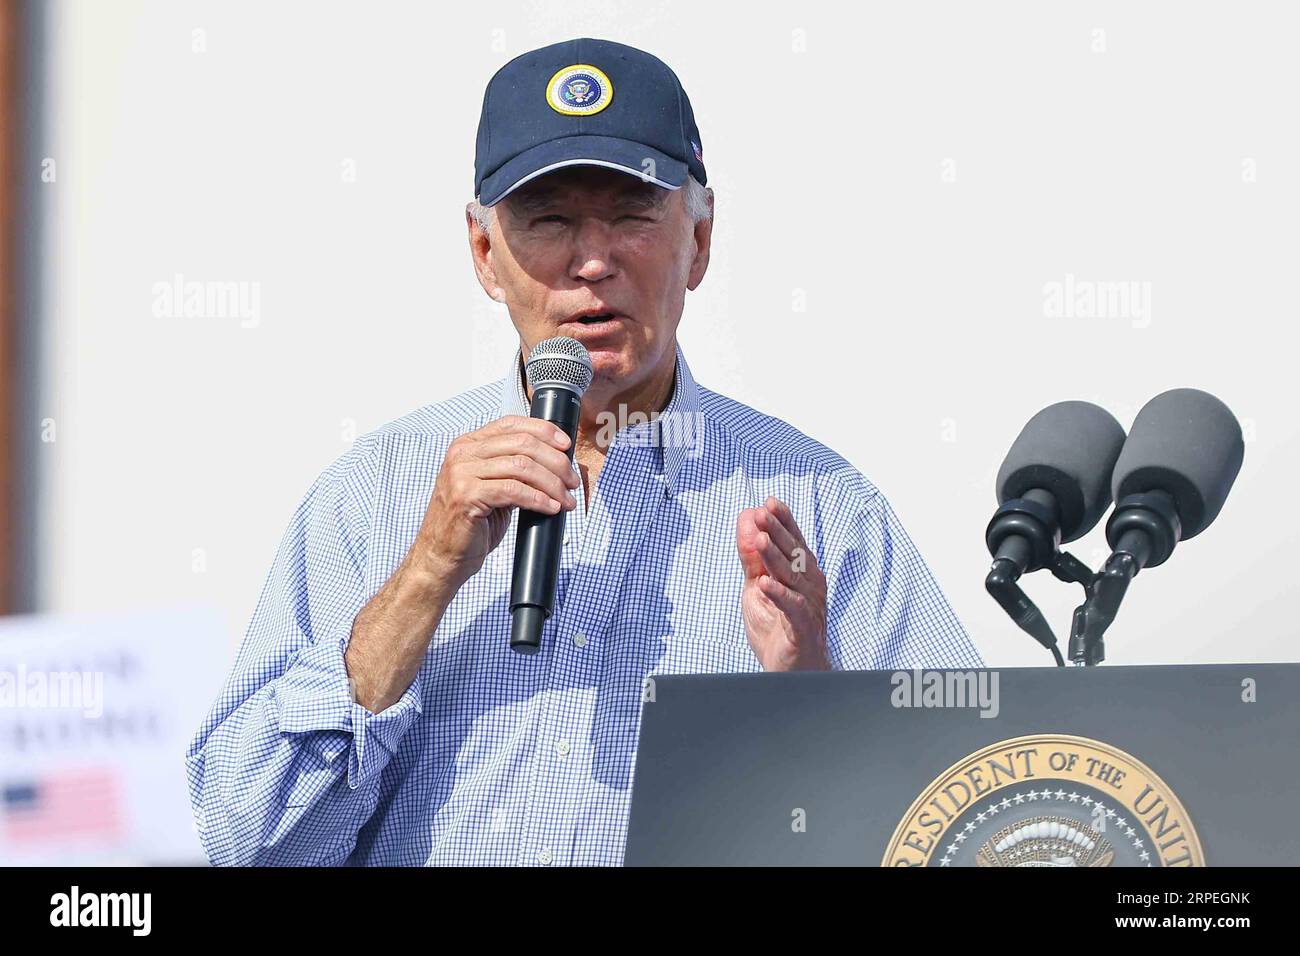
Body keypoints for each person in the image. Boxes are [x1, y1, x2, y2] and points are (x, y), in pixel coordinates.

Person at [185, 37, 982, 866]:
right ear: (486, 254)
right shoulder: (374, 494)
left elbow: (967, 823)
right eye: (550, 219)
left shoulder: (818, 506)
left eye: (633, 215)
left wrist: (811, 694)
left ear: (700, 241)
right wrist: (424, 579)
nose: (592, 261)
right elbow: (246, 842)